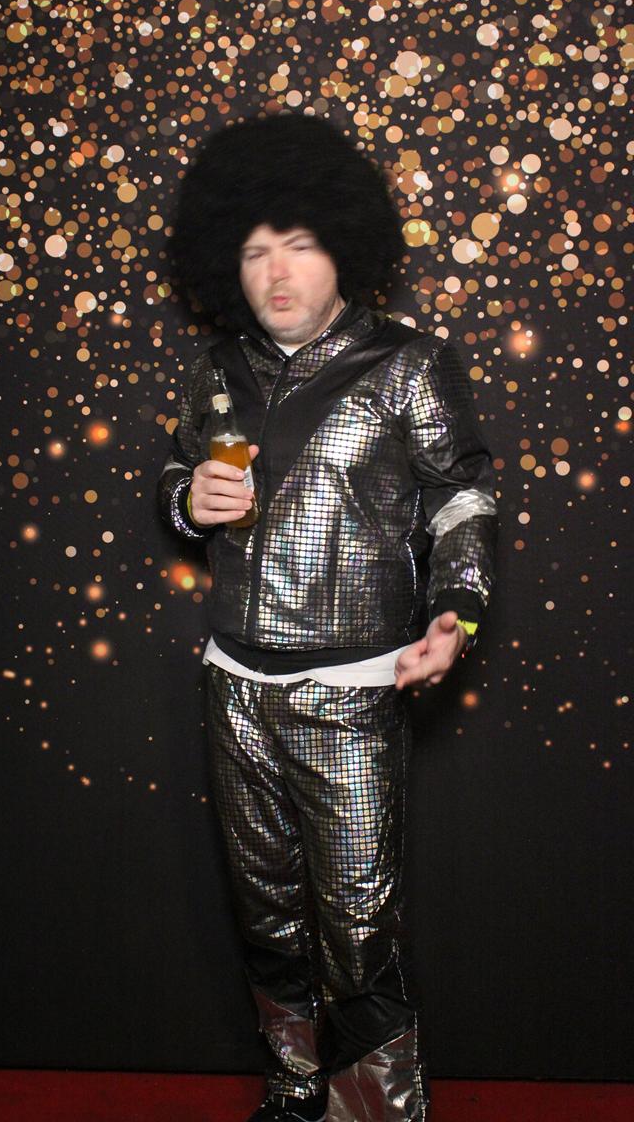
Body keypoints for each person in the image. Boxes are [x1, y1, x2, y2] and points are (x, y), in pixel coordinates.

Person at [158, 114, 497, 1122]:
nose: (277, 272)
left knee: (357, 923)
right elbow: (176, 477)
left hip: (349, 693)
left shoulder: (408, 364)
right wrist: (185, 501)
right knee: (264, 914)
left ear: (342, 247)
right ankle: (293, 1087)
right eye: (255, 250)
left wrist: (458, 613)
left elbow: (461, 496)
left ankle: (376, 1112)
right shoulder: (217, 368)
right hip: (233, 686)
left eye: (299, 244)